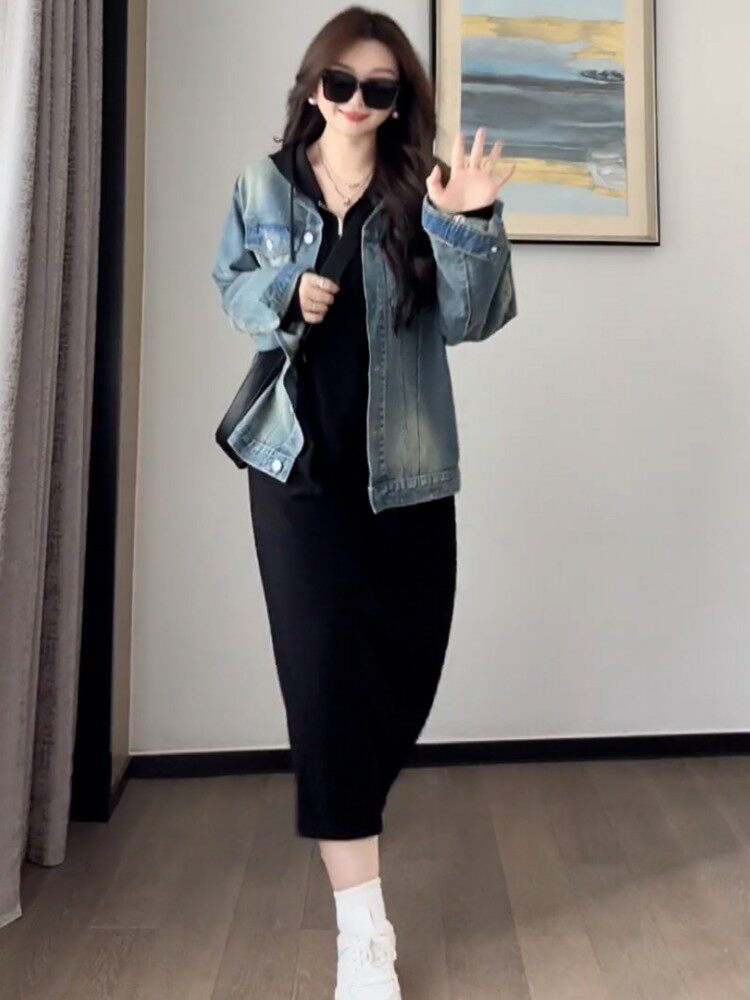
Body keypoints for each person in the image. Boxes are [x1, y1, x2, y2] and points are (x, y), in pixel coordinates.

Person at [211, 8, 517, 997]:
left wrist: (468, 222)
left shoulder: (423, 187)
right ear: (314, 85)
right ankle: (364, 936)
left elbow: (473, 320)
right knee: (326, 690)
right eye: (339, 82)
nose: (354, 102)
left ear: (398, 101)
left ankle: (343, 804)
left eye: (377, 89)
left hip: (407, 475)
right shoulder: (265, 185)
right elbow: (230, 283)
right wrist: (282, 292)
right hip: (297, 474)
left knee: (403, 672)